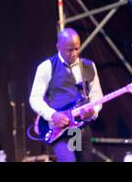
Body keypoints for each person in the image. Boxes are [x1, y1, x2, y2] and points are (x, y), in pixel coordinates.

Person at [29, 28, 103, 162]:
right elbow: (35, 98)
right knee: (68, 160)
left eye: (77, 48)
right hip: (59, 130)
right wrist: (52, 115)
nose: (74, 53)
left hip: (80, 128)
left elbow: (96, 95)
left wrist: (93, 111)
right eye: (69, 50)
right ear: (58, 47)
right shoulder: (46, 67)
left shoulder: (88, 66)